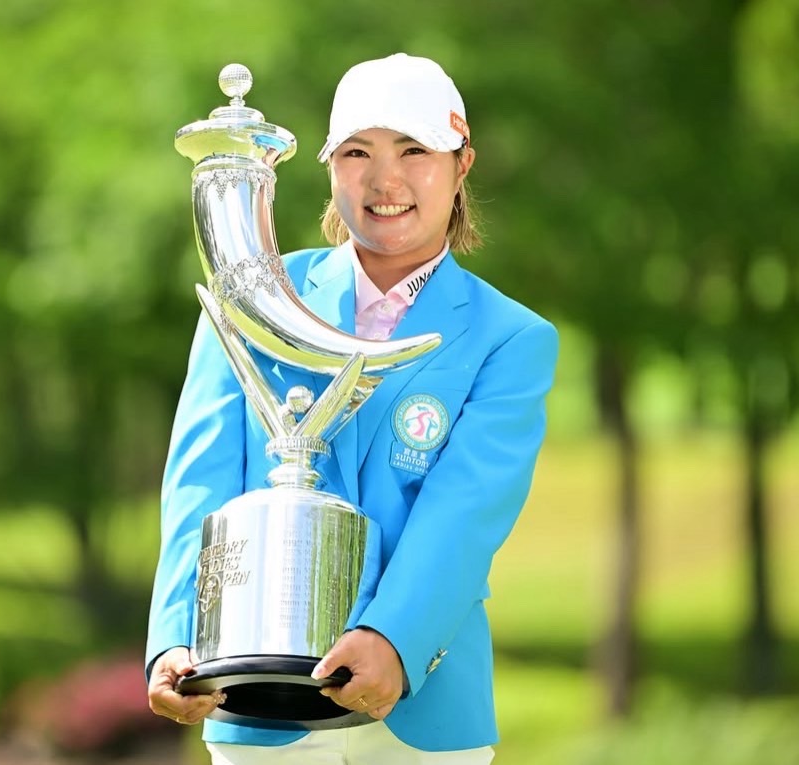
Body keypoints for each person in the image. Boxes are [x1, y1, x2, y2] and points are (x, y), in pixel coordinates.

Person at [146, 52, 559, 764]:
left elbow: (465, 514)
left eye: (414, 151)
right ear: (330, 166)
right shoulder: (249, 294)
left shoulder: (510, 336)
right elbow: (199, 482)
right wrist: (174, 638)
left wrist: (394, 639)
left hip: (422, 704)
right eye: (357, 152)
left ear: (461, 163)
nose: (384, 179)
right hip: (252, 692)